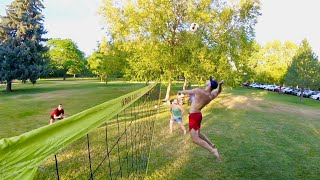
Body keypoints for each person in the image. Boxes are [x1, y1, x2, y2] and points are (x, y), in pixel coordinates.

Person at [178, 76, 224, 160]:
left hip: (194, 116)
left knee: (195, 139)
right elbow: (219, 91)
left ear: (209, 85)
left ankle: (213, 150)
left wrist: (180, 91)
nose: (207, 80)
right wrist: (220, 85)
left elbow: (185, 91)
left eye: (209, 81)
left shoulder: (198, 91)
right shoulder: (211, 95)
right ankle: (211, 144)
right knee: (198, 134)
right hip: (198, 115)